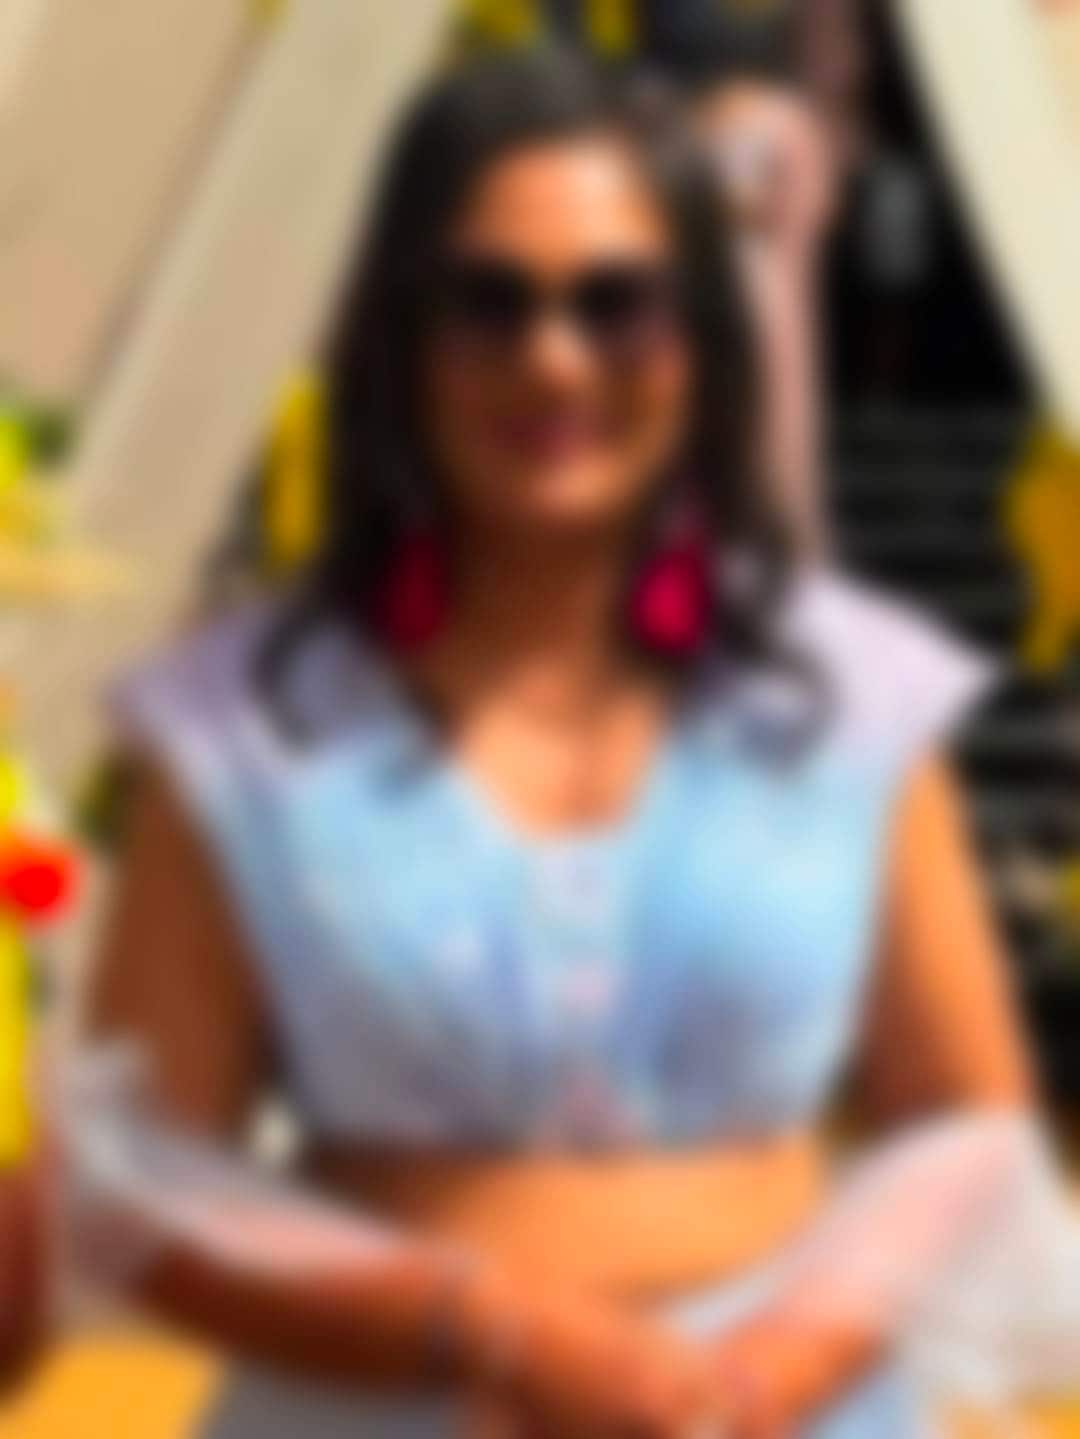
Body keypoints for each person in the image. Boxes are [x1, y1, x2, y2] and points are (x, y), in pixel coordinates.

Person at [86, 50, 1032, 1438]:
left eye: (618, 302)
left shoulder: (844, 701)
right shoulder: (244, 727)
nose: (553, 357)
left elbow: (962, 1120)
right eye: (487, 302)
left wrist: (767, 1377)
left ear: (702, 339)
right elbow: (136, 1180)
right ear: (398, 339)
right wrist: (491, 1334)